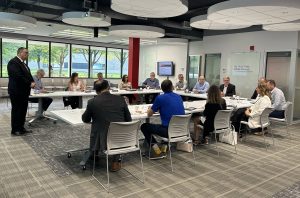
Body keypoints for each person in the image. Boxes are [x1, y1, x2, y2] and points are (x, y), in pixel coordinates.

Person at [82, 80, 132, 172]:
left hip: (102, 141)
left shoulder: (92, 102)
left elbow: (86, 119)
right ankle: (115, 162)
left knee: (99, 126)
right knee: (113, 130)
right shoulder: (121, 99)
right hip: (122, 139)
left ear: (96, 91)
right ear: (109, 88)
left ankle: (94, 153)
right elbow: (129, 119)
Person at [141, 79, 185, 158]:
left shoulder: (160, 98)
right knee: (164, 124)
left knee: (144, 126)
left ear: (162, 88)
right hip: (181, 129)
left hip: (168, 131)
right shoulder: (179, 97)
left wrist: (150, 108)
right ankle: (164, 148)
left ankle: (156, 150)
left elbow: (149, 114)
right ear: (172, 87)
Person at [7, 47, 35, 136]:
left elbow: (28, 75)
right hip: (16, 91)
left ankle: (21, 128)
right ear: (20, 53)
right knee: (17, 110)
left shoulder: (23, 64)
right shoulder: (13, 62)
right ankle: (15, 130)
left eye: (27, 53)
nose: (27, 54)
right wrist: (29, 83)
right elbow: (18, 77)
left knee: (23, 110)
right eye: (26, 52)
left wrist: (32, 81)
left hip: (24, 92)